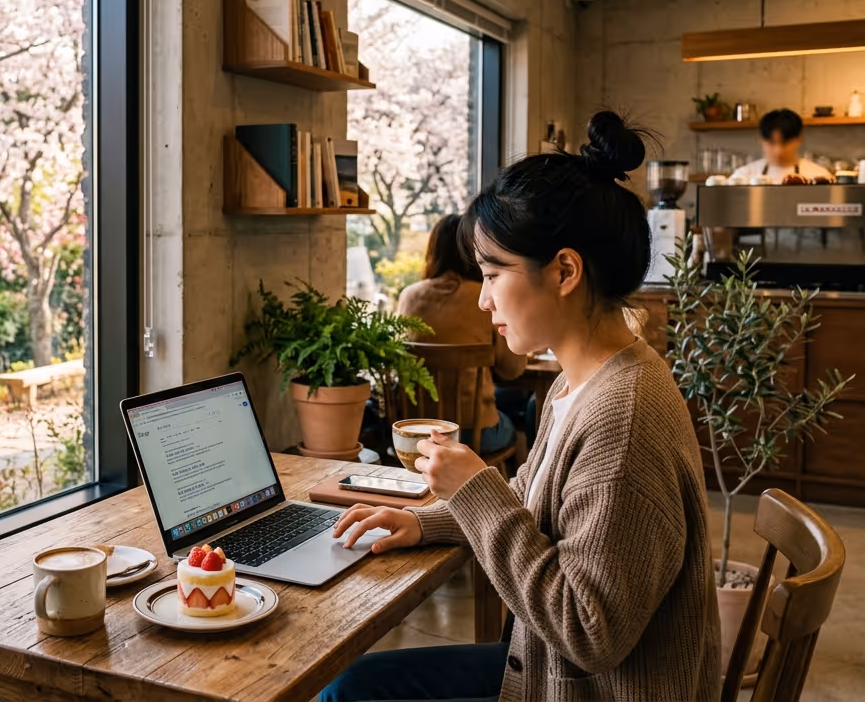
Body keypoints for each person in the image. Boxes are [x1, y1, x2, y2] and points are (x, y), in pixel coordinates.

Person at [323, 112, 721, 702]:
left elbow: (588, 631)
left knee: (347, 694)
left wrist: (472, 490)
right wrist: (425, 522)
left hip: (593, 686)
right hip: (550, 668)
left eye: (492, 274)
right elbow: (530, 499)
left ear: (565, 271)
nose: (483, 300)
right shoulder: (581, 381)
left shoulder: (623, 419)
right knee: (352, 687)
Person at [397, 214, 527, 456]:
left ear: (433, 251)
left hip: (415, 432)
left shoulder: (409, 296)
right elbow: (513, 369)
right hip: (474, 433)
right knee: (519, 418)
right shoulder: (486, 298)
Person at [727, 109, 832, 184]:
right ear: (762, 139)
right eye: (771, 143)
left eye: (785, 143)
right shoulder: (743, 177)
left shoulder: (820, 177)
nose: (778, 150)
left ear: (799, 138)